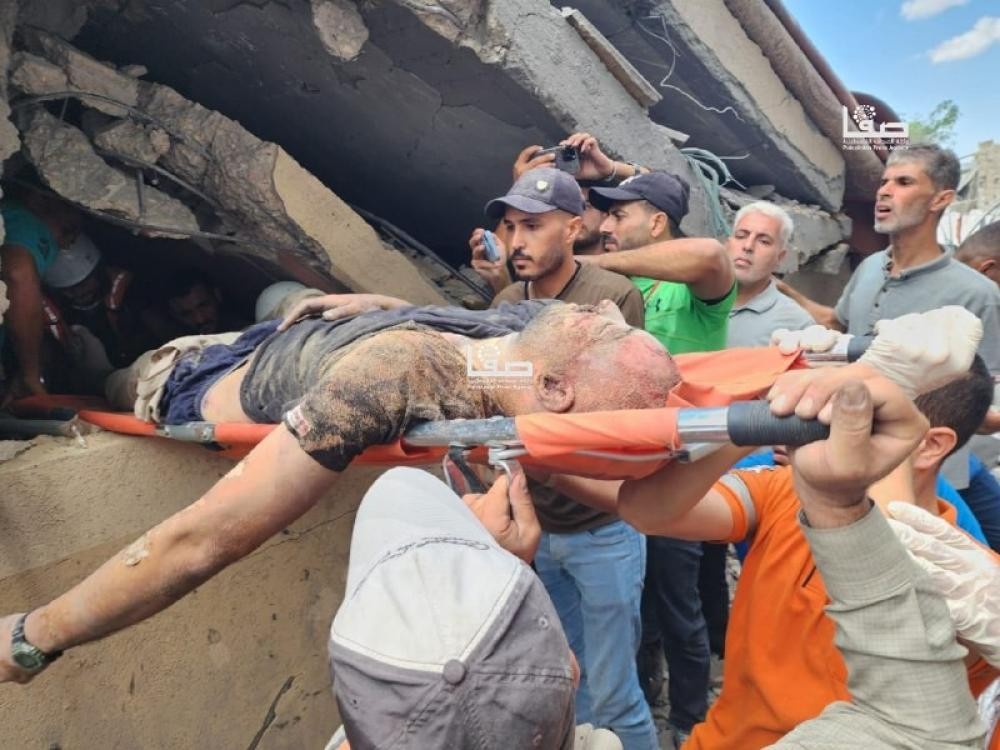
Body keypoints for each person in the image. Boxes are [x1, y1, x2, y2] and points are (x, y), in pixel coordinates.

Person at [0, 298, 680, 691]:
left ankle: (84, 365)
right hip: (247, 351)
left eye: (603, 327)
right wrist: (378, 303)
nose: (598, 308)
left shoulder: (425, 376)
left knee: (109, 376)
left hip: (207, 367)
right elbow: (202, 537)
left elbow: (204, 539)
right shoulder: (518, 344)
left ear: (555, 390)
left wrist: (34, 637)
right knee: (245, 315)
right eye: (606, 320)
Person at [612, 346, 998, 746]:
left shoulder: (974, 586)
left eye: (864, 409)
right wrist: (765, 412)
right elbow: (646, 510)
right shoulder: (788, 490)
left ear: (930, 446)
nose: (829, 415)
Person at [480, 167, 658, 749]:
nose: (517, 241)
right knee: (567, 683)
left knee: (615, 694)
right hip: (539, 528)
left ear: (573, 229)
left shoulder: (612, 297)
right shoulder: (507, 303)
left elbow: (624, 421)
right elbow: (497, 400)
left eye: (533, 226)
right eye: (511, 227)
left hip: (602, 527)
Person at [581, 167, 735, 745]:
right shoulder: (621, 292)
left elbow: (710, 256)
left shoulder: (691, 288)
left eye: (620, 215)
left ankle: (689, 721)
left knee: (677, 604)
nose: (607, 226)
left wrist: (596, 263)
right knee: (638, 605)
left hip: (679, 472)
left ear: (657, 222)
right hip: (623, 467)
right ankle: (644, 704)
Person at [775, 144, 1000, 495]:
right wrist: (783, 293)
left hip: (924, 475)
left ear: (941, 199)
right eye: (884, 181)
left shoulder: (976, 293)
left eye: (904, 182)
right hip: (844, 457)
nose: (884, 191)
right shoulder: (869, 267)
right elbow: (839, 324)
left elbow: (982, 406)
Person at [0, 189, 82, 398]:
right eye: (67, 230)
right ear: (38, 200)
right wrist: (30, 375)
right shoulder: (26, 221)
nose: (65, 244)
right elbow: (18, 273)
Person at [41, 233, 158, 371]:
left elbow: (159, 327)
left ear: (99, 273)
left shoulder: (131, 295)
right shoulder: (50, 316)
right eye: (69, 289)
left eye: (84, 284)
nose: (79, 293)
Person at [725, 202, 813, 347]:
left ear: (780, 257)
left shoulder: (795, 324)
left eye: (764, 241)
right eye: (741, 236)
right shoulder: (692, 299)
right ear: (727, 245)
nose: (748, 246)